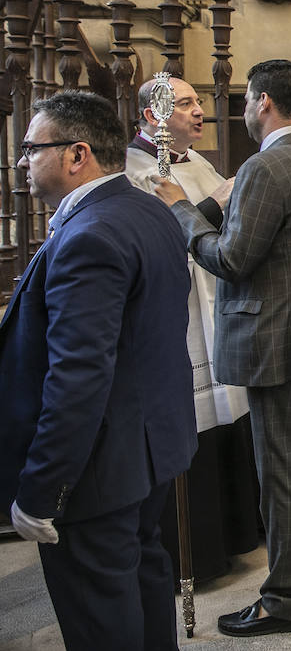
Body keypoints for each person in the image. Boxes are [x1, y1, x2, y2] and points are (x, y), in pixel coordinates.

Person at [152, 59, 291, 637]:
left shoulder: (264, 168)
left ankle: (283, 599)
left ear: (265, 102)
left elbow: (229, 260)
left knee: (283, 472)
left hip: (277, 338)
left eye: (247, 101)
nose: (244, 111)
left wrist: (180, 207)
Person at [0, 91, 196, 650]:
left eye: (32, 148)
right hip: (149, 446)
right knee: (140, 581)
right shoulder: (147, 209)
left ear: (76, 154)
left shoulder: (90, 233)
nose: (22, 161)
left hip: (96, 465)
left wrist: (43, 491)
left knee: (99, 615)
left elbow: (78, 377)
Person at [125, 77, 259, 584]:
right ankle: (195, 557)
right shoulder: (135, 173)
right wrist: (219, 202)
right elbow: (157, 239)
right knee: (195, 424)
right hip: (177, 317)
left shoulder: (197, 163)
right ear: (153, 117)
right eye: (185, 104)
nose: (199, 112)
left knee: (228, 418)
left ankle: (237, 536)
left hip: (216, 306)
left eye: (198, 103)